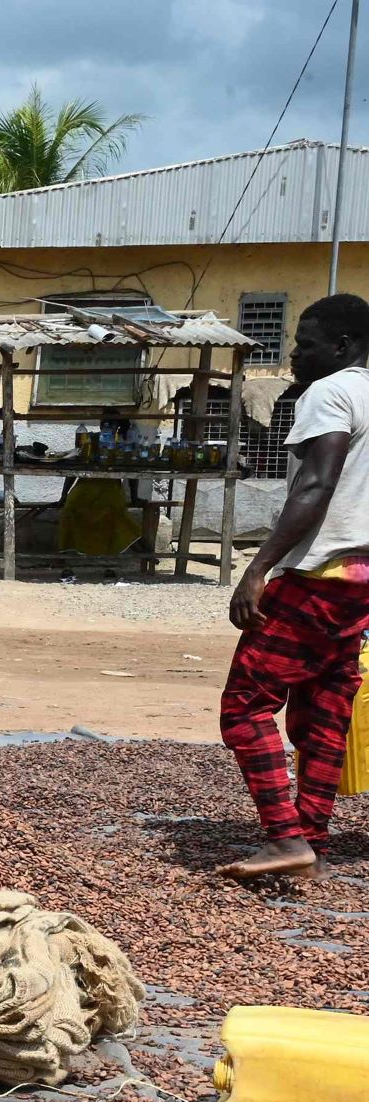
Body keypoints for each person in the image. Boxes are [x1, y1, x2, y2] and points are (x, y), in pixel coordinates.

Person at [218, 292, 369, 883]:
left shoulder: (330, 393)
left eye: (305, 345)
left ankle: (284, 837)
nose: (294, 356)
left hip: (315, 578)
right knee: (324, 711)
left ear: (342, 346)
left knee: (245, 705)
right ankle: (313, 840)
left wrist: (259, 568)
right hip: (360, 582)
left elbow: (316, 484)